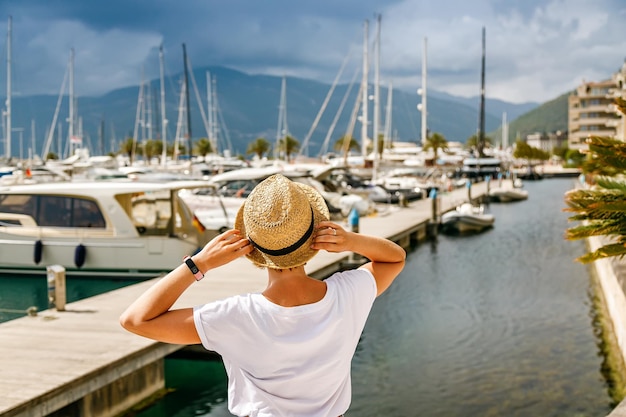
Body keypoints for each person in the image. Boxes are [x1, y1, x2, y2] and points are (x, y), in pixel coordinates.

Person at [119, 174, 406, 417]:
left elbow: (136, 320)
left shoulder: (235, 316)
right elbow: (394, 259)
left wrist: (199, 263)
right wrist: (351, 241)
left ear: (251, 249)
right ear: (315, 240)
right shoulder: (349, 294)